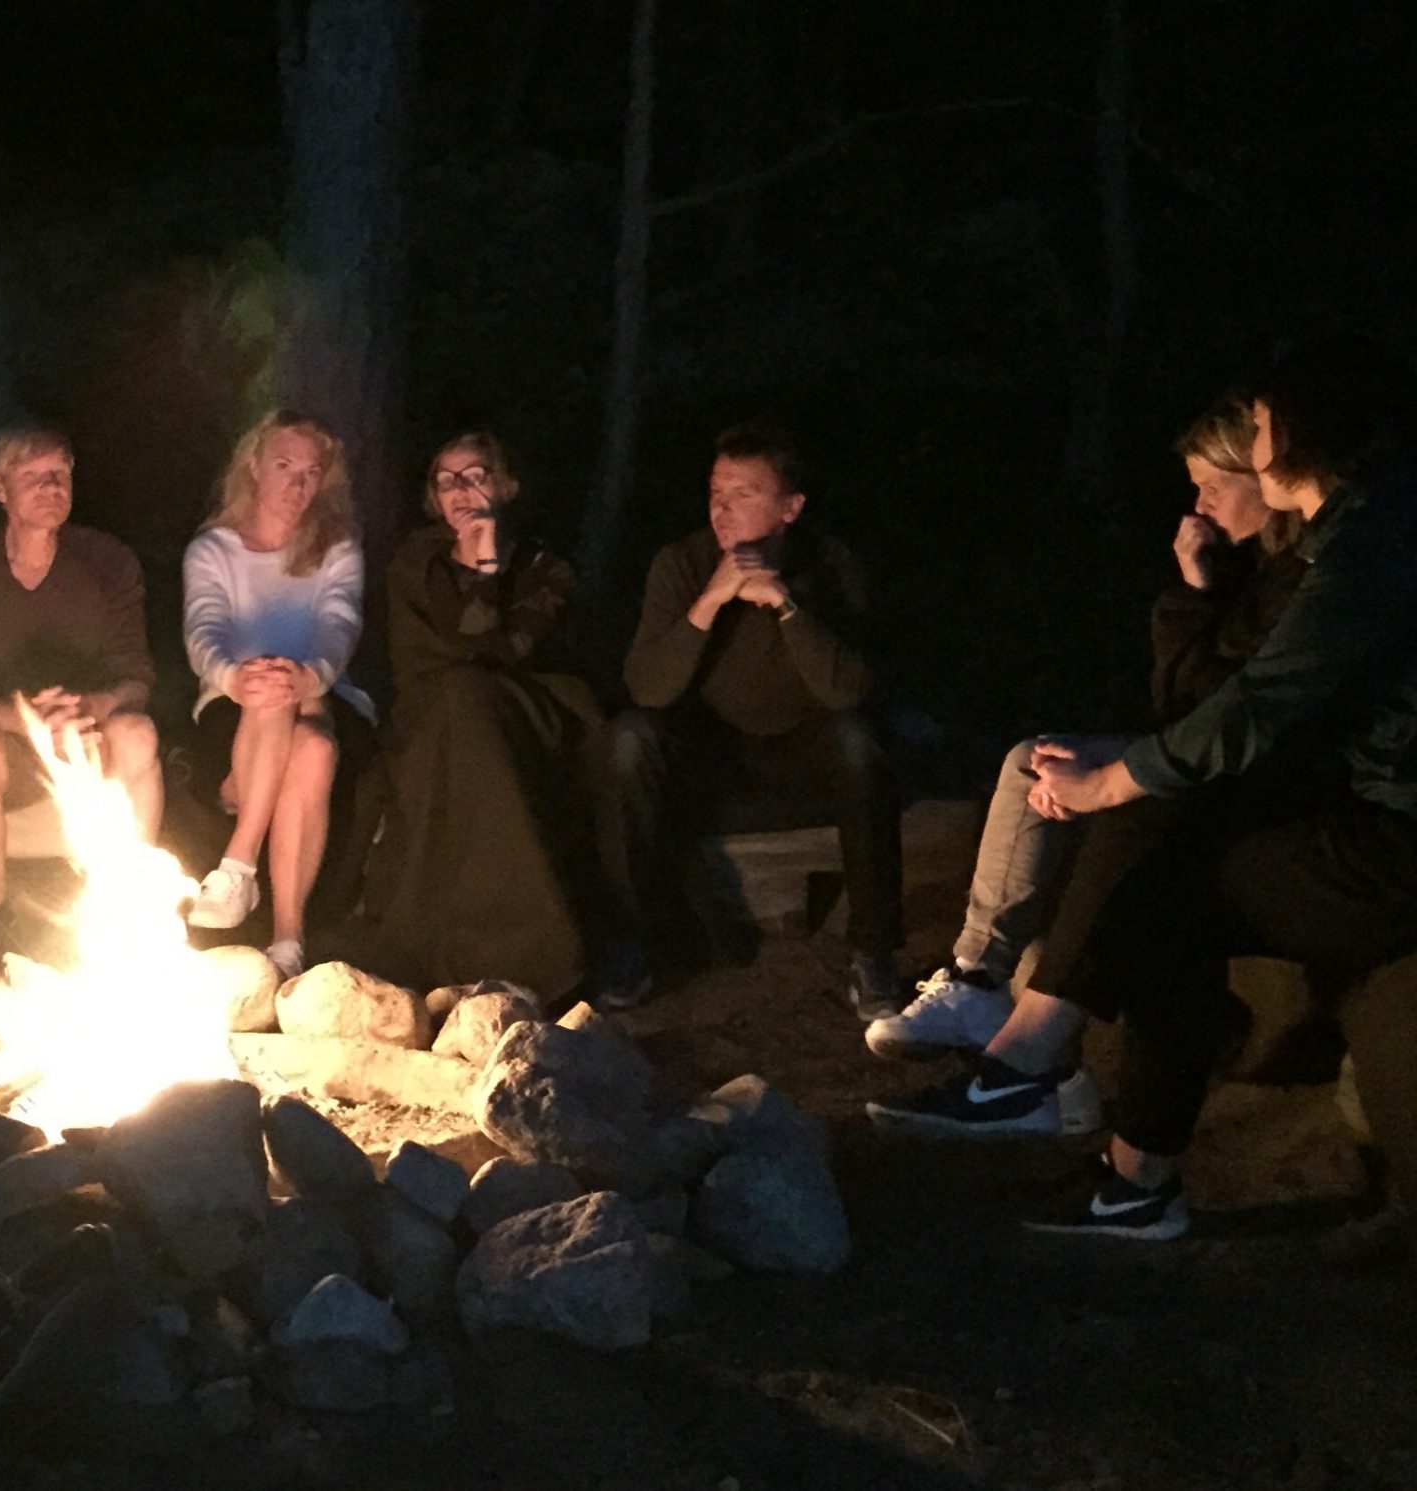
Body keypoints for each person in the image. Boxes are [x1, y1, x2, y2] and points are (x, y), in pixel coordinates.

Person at [878, 335, 1417, 1241]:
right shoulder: (1357, 533)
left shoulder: (1371, 548)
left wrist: (1107, 783)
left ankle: (1039, 1080)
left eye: (1259, 426)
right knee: (1162, 851)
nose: (1251, 446)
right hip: (1356, 809)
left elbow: (1258, 704)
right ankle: (1113, 1165)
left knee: (1161, 847)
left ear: (1299, 431)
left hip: (1391, 841)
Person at [864, 400, 1307, 1125]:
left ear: (1264, 477)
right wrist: (1194, 585)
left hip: (1254, 770)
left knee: (1122, 814)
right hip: (1208, 749)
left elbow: (1217, 711)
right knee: (1032, 762)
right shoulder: (1245, 566)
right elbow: (1178, 699)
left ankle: (1030, 1061)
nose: (1198, 506)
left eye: (1212, 487)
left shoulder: (1296, 575)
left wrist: (1105, 780)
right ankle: (978, 977)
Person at [601, 421, 903, 1019]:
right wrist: (711, 600)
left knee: (860, 741)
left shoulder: (830, 564)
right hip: (711, 746)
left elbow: (847, 690)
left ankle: (873, 950)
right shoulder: (682, 563)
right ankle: (629, 944)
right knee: (629, 738)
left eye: (743, 494)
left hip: (801, 745)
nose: (722, 509)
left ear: (790, 508)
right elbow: (648, 688)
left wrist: (786, 605)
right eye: (716, 492)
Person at [339, 431, 619, 996]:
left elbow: (507, 649)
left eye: (475, 476)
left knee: (472, 706)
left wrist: (486, 569)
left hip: (524, 706)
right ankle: (432, 952)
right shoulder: (416, 561)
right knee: (455, 710)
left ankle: (529, 950)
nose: (461, 491)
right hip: (432, 712)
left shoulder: (541, 564)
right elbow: (419, 657)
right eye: (447, 481)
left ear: (506, 486)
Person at [0, 425, 161, 974]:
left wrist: (90, 708)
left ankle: (126, 910)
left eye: (60, 474)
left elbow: (136, 675)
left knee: (138, 734)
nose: (51, 487)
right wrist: (21, 719)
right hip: (8, 748)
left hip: (89, 738)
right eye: (33, 476)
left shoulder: (107, 561)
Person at [182, 410, 372, 980]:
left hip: (325, 693)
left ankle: (241, 876)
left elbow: (339, 625)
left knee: (303, 721)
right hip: (231, 700)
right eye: (285, 466)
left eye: (311, 473)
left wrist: (310, 678)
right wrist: (234, 677)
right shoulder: (213, 549)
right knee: (302, 736)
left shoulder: (336, 549)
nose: (297, 485)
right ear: (254, 466)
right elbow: (203, 628)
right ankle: (287, 936)